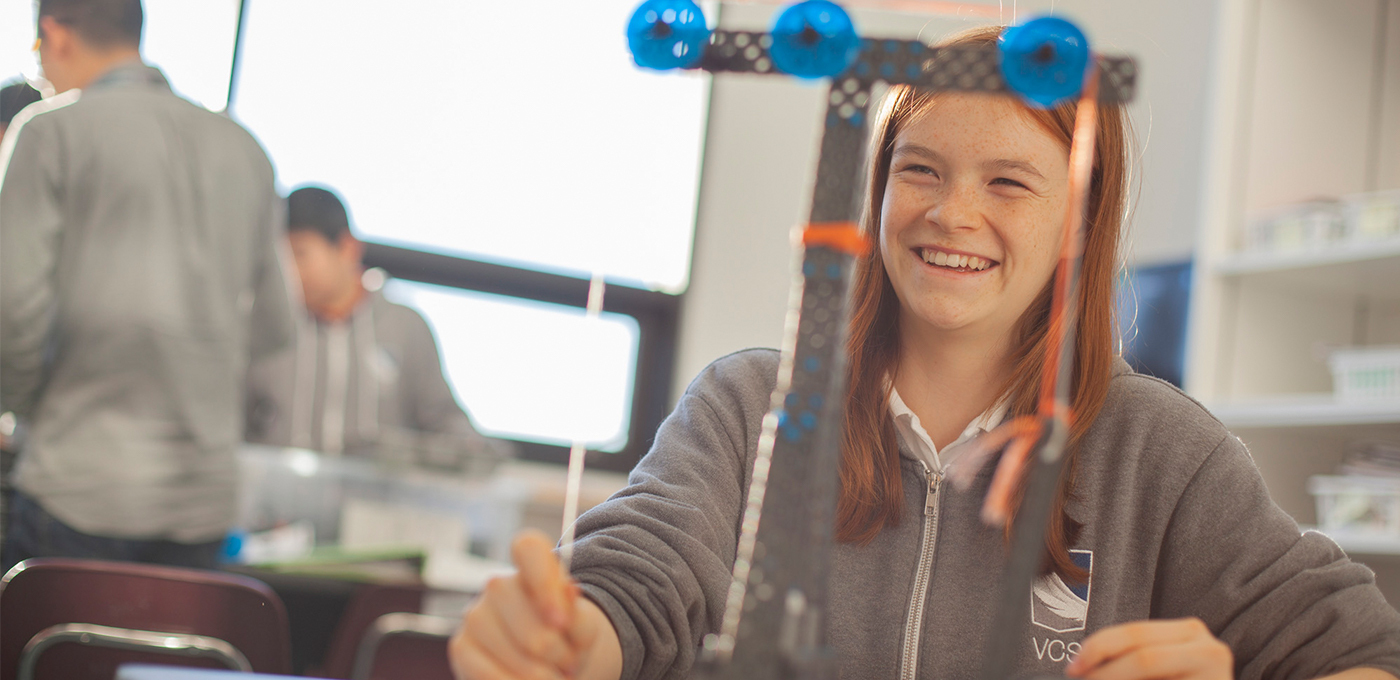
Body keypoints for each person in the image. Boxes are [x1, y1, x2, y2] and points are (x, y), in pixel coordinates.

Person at [446, 25, 1400, 680]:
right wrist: (569, 638)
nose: (954, 213)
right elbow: (636, 580)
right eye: (921, 170)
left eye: (1010, 182)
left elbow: (1360, 651)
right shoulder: (747, 409)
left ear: (1077, 223)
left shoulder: (1163, 452)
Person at [0, 0, 294, 571]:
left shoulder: (50, 133)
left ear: (55, 36)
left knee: (46, 659)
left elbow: (11, 309)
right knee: (165, 662)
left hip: (79, 489)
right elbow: (275, 325)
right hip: (201, 506)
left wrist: (29, 406)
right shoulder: (245, 149)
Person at [244, 185, 510, 471]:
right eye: (281, 257)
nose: (290, 270)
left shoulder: (404, 328)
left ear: (347, 248)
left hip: (374, 508)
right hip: (278, 507)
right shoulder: (267, 327)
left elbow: (441, 420)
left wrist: (473, 449)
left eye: (300, 253)